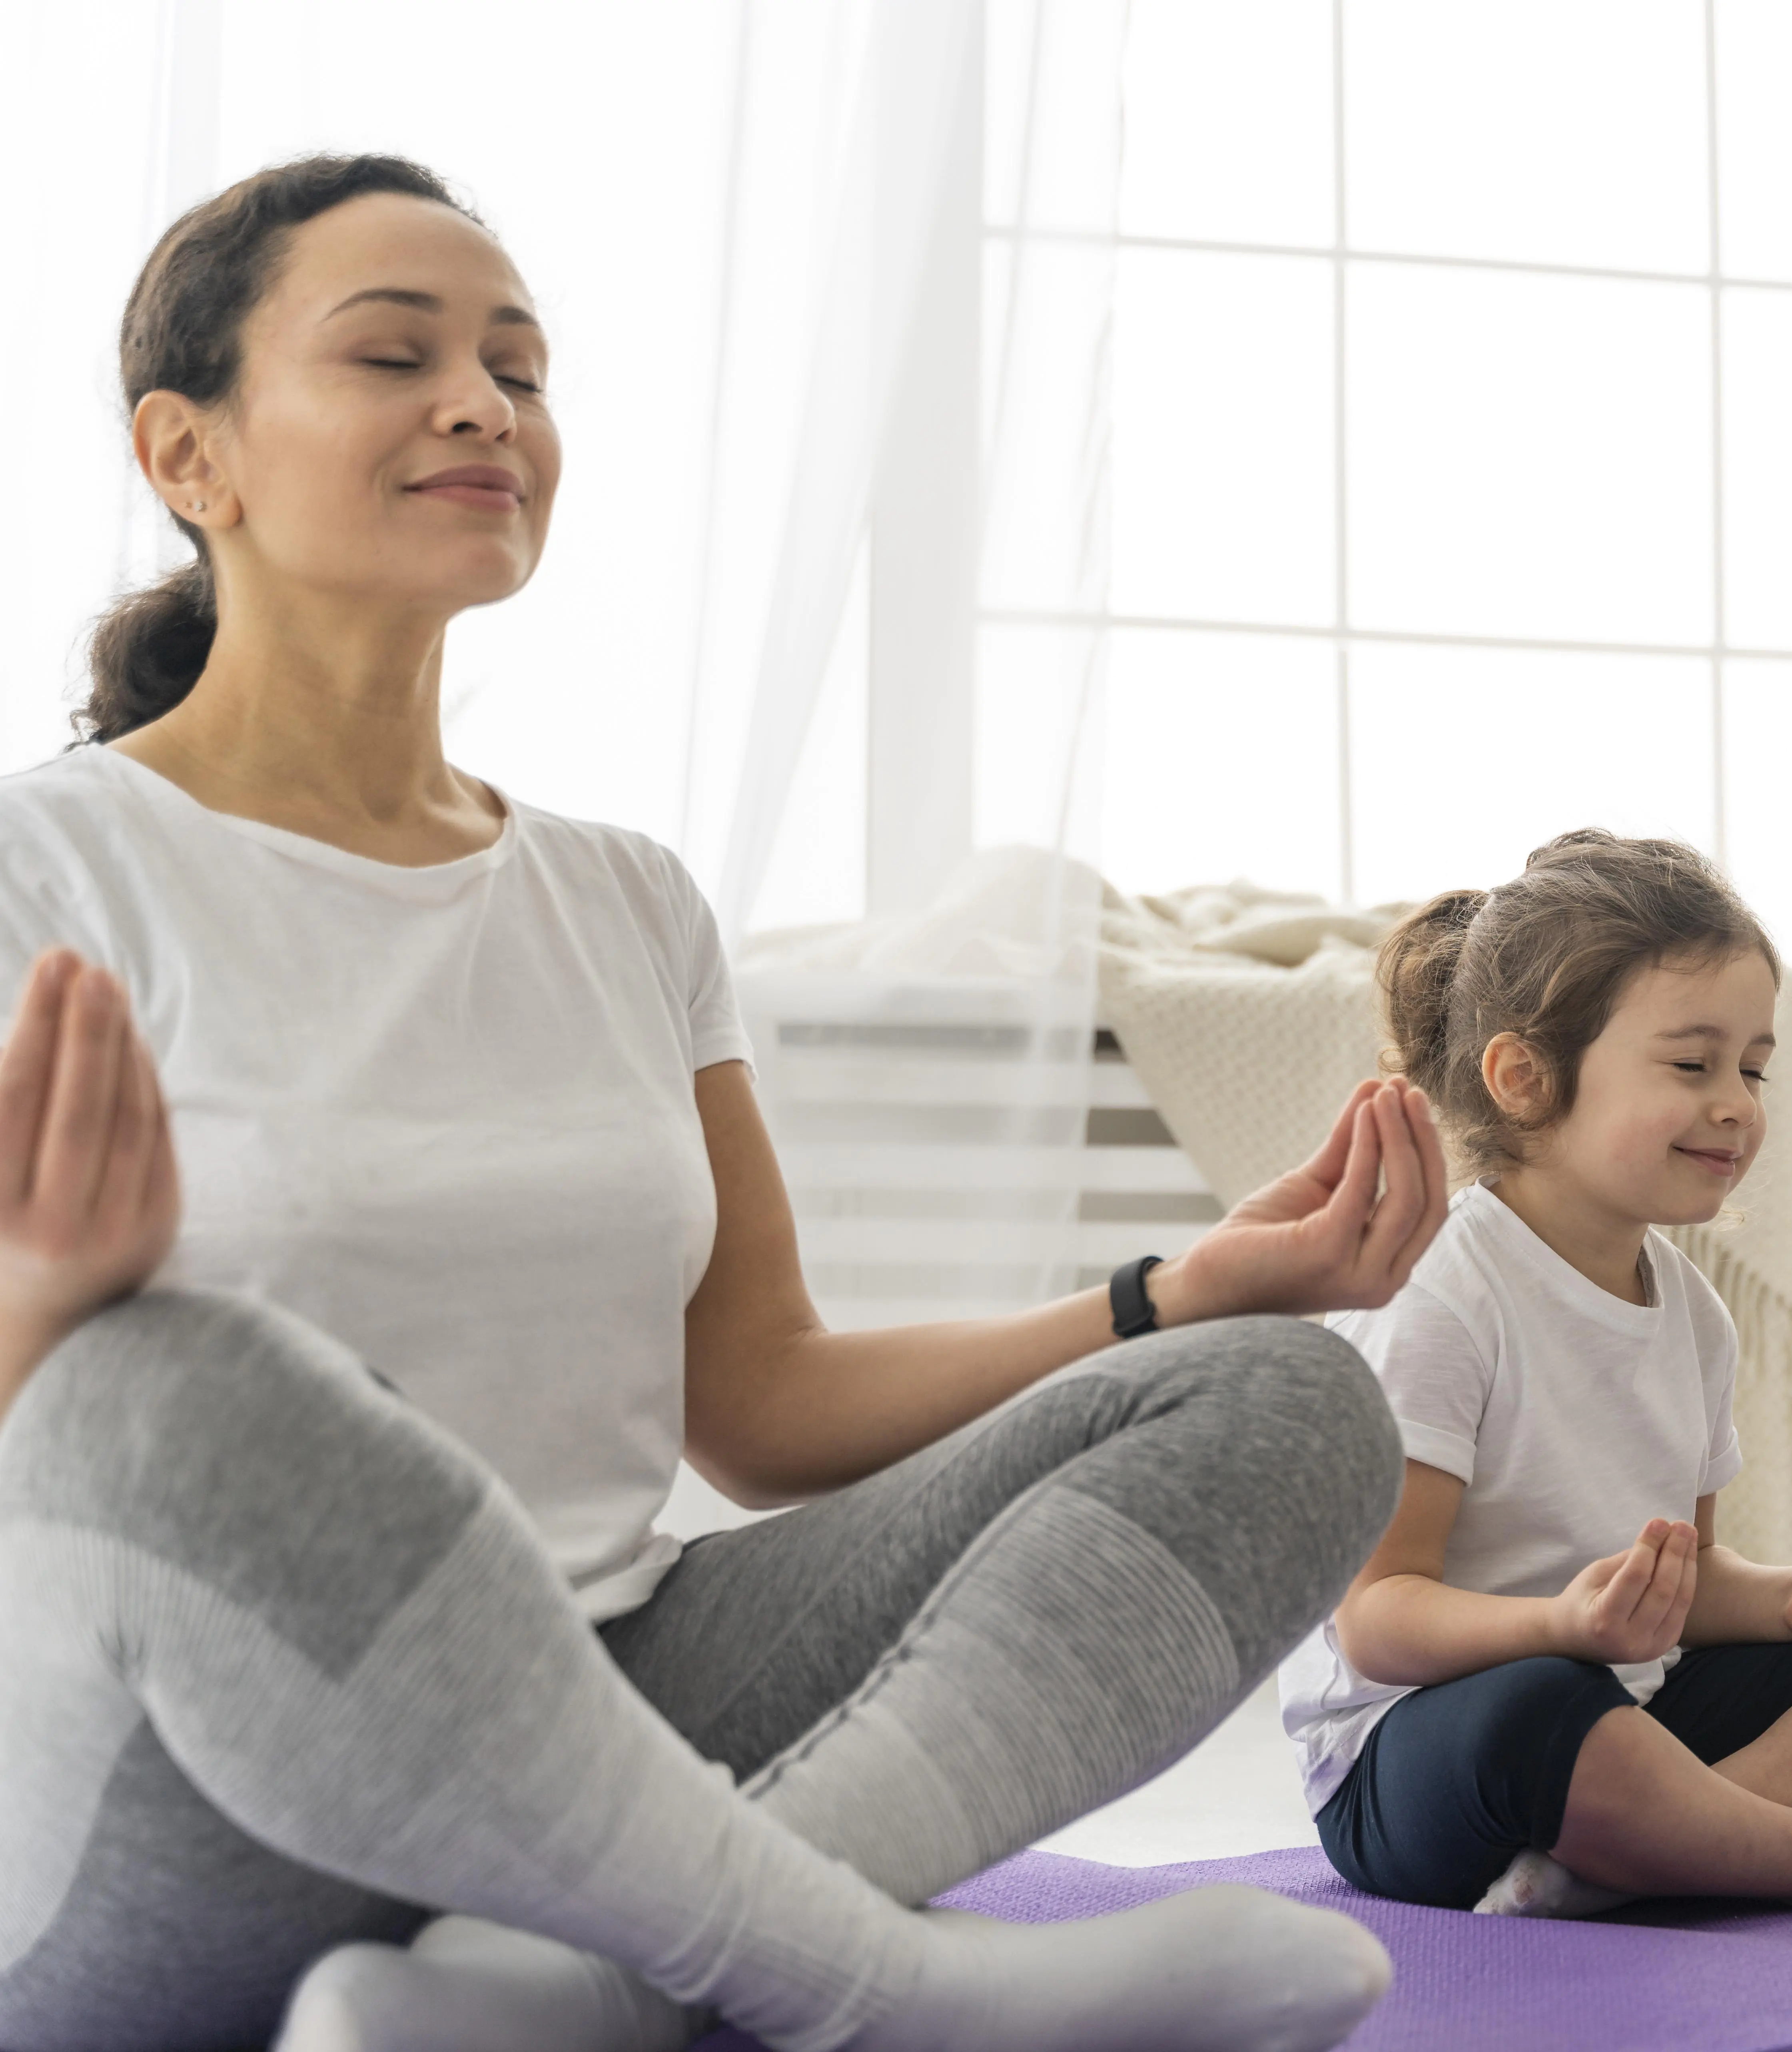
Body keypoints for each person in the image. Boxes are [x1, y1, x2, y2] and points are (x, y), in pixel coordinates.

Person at [0, 154, 1447, 2052]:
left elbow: (760, 1403)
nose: (481, 404)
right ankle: (862, 1982)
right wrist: (41, 1302)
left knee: (1286, 1398)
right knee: (163, 1383)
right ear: (191, 458)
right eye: (395, 355)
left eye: (519, 368)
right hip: (195, 1793)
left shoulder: (624, 899)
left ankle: (587, 1984)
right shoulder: (50, 867)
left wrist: (1170, 1295)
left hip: (627, 1702)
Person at [1278, 831, 1792, 1922]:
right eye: (1691, 1064)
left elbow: (1690, 1587)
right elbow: (1378, 1618)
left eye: (1752, 1068)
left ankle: (1638, 1861)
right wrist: (1560, 1625)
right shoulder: (1439, 1293)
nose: (1740, 1103)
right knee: (1541, 1705)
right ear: (1526, 1078)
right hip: (1428, 1752)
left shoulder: (1695, 1314)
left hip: (1623, 1718)